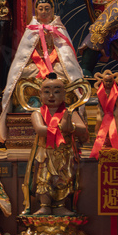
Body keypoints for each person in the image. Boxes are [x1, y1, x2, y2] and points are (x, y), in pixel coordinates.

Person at [0, 0, 83, 142]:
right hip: (35, 66)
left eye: (47, 9)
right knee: (22, 74)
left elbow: (66, 54)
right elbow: (24, 55)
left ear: (52, 10)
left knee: (65, 75)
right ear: (36, 11)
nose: (44, 12)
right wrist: (39, 63)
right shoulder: (31, 30)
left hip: (55, 65)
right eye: (41, 9)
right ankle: (32, 103)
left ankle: (61, 103)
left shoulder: (59, 29)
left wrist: (52, 61)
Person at [24, 74, 88, 216]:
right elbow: (40, 130)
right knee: (44, 179)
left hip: (64, 153)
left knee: (63, 179)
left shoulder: (69, 113)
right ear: (40, 94)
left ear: (64, 94)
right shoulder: (37, 113)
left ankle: (60, 205)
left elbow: (82, 129)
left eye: (57, 91)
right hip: (45, 154)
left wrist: (71, 126)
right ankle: (45, 205)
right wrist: (62, 127)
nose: (51, 95)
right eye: (47, 92)